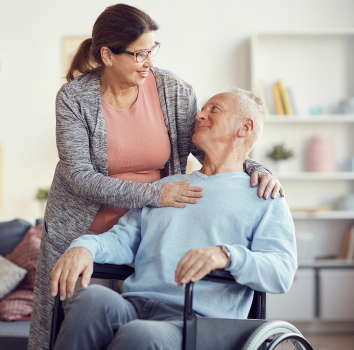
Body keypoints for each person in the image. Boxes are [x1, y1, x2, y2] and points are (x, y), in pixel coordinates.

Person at [28, 4, 283, 350]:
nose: (149, 60)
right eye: (139, 53)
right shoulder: (75, 98)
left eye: (153, 50)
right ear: (107, 55)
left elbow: (211, 147)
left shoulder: (173, 91)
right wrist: (92, 240)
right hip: (96, 223)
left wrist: (257, 170)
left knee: (138, 333)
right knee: (67, 312)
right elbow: (79, 176)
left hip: (158, 224)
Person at [50, 88, 297, 350]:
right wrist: (84, 247)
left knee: (140, 335)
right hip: (135, 304)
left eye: (214, 109)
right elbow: (123, 239)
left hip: (198, 321)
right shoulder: (168, 187)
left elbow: (281, 271)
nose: (199, 115)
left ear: (245, 128)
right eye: (203, 109)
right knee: (90, 299)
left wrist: (226, 255)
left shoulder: (264, 195)